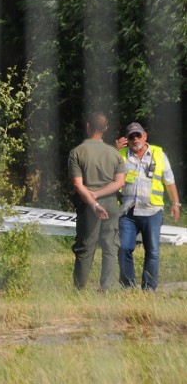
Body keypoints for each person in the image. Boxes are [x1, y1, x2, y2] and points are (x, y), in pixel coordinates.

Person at [114, 122, 180, 290]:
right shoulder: (120, 154)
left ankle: (149, 289)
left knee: (153, 252)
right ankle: (127, 288)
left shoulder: (158, 154)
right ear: (127, 140)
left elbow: (169, 181)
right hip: (128, 211)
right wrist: (114, 151)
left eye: (138, 135)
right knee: (124, 249)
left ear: (145, 136)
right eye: (131, 136)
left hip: (152, 210)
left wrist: (175, 203)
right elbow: (106, 173)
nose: (135, 139)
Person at [68, 112, 126, 290]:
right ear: (105, 128)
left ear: (87, 126)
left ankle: (79, 289)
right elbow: (120, 182)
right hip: (110, 203)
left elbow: (78, 185)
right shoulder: (114, 154)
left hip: (88, 205)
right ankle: (106, 289)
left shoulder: (77, 152)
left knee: (86, 247)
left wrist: (92, 198)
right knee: (110, 247)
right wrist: (101, 193)